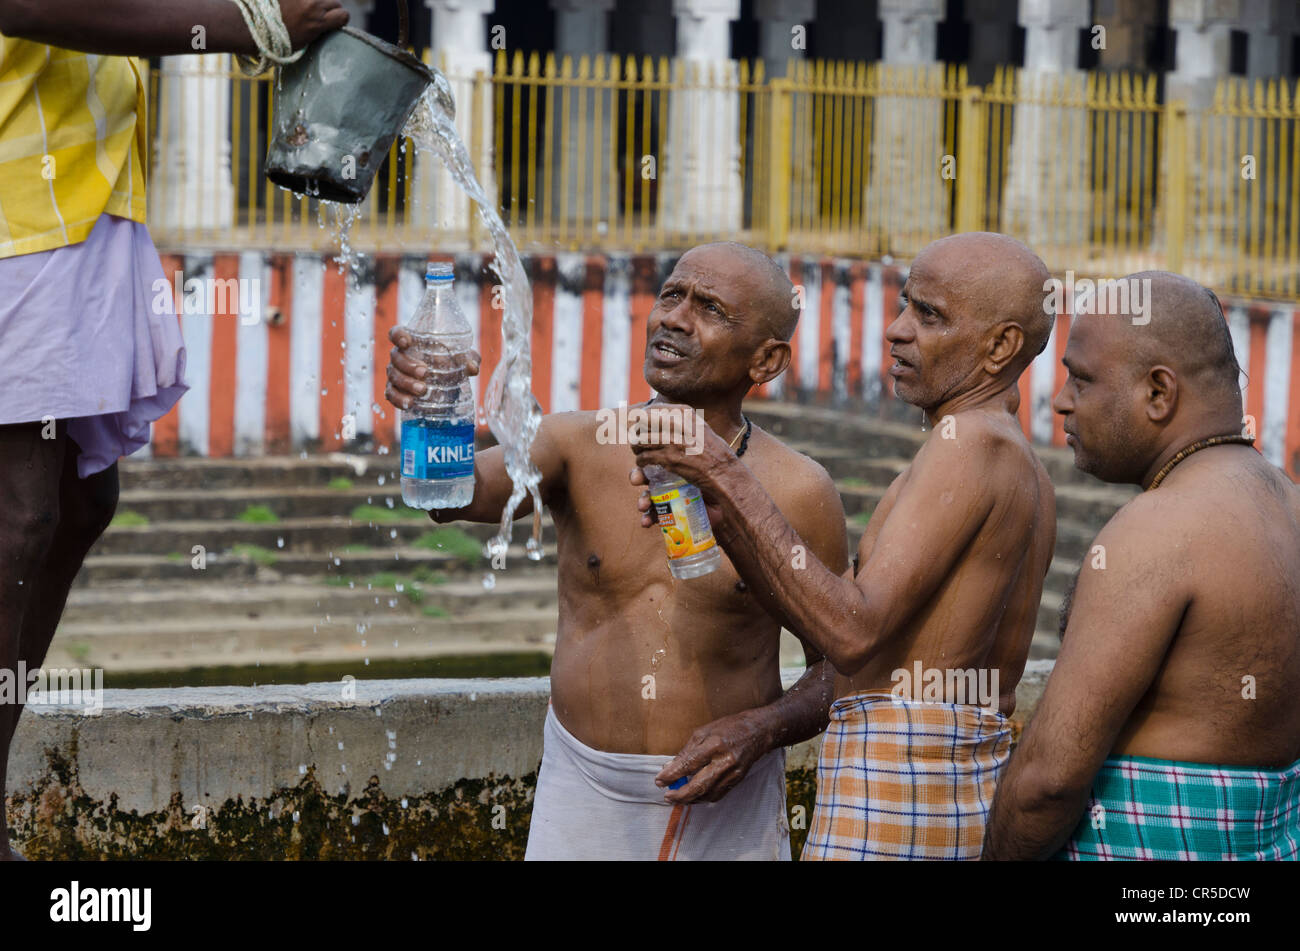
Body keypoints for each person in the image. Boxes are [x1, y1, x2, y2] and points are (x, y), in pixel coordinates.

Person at [0, 0, 349, 861]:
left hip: (89, 198)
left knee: (80, 502)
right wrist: (244, 22)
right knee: (21, 514)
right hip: (17, 207)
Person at [385, 242, 849, 860]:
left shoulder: (800, 489)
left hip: (728, 804)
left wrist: (760, 731)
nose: (675, 318)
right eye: (672, 295)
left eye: (710, 308)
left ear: (766, 359)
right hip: (582, 792)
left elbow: (842, 668)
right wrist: (432, 406)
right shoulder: (575, 445)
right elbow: (448, 497)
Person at [629, 232, 1057, 860]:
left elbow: (852, 634)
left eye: (928, 315)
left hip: (903, 787)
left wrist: (722, 473)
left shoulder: (972, 442)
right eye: (905, 305)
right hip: (932, 778)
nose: (896, 331)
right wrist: (717, 504)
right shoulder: (1011, 454)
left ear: (1000, 347)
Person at [982, 272, 1300, 861]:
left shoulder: (1160, 528)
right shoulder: (1287, 500)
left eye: (1081, 377)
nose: (1061, 400)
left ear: (1159, 393)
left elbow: (1048, 784)